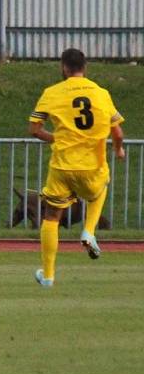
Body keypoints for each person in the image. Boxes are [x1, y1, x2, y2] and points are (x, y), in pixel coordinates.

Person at [28, 48, 125, 287]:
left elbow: (34, 130)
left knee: (51, 217)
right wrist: (118, 149)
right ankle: (88, 231)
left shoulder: (51, 93)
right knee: (101, 188)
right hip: (92, 165)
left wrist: (57, 139)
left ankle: (48, 276)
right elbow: (118, 131)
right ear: (85, 67)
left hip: (62, 165)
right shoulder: (101, 93)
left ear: (63, 67)